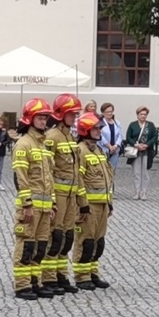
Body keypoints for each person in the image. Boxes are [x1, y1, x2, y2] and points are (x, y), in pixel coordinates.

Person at [11, 99, 55, 300]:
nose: (43, 120)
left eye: (45, 117)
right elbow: (21, 178)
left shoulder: (44, 145)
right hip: (30, 208)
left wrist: (53, 203)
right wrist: (27, 204)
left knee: (41, 247)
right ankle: (22, 285)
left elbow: (50, 178)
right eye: (40, 117)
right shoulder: (24, 144)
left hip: (45, 208)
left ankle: (35, 281)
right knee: (26, 246)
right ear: (30, 119)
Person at [41, 94, 83, 295]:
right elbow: (47, 170)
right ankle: (48, 277)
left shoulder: (71, 137)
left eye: (76, 114)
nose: (75, 117)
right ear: (61, 114)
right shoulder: (52, 137)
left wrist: (81, 201)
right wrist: (52, 199)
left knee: (67, 237)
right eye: (71, 114)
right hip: (58, 196)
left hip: (72, 197)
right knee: (54, 236)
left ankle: (60, 273)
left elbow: (76, 171)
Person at [72, 111, 114, 290]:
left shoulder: (98, 150)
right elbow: (78, 179)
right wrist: (82, 205)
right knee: (86, 240)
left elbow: (108, 177)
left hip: (102, 204)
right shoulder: (80, 150)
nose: (100, 131)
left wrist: (109, 202)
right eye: (96, 128)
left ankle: (93, 272)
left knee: (98, 241)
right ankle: (82, 276)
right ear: (86, 129)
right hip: (88, 206)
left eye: (100, 128)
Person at [125, 106, 159, 200]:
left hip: (147, 152)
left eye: (145, 114)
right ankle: (137, 192)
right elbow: (128, 137)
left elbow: (154, 137)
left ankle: (144, 192)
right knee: (136, 173)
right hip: (135, 152)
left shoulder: (150, 125)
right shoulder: (133, 125)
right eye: (141, 114)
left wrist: (147, 145)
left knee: (145, 173)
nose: (143, 116)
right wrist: (136, 145)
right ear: (137, 115)